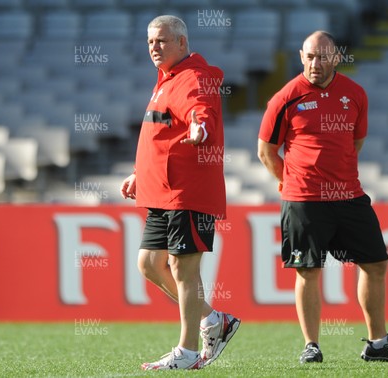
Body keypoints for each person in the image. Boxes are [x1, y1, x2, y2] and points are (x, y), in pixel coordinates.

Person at [257, 31, 388, 363]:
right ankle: (311, 345)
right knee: (308, 269)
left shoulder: (355, 94)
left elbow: (355, 143)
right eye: (309, 57)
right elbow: (266, 151)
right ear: (301, 57)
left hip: (349, 196)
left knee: (376, 263)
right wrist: (289, 182)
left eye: (322, 56)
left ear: (337, 58)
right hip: (304, 198)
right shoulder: (285, 97)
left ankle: (378, 343)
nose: (315, 63)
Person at [120, 15, 240, 370]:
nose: (154, 48)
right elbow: (163, 135)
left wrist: (200, 129)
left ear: (182, 43)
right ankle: (215, 320)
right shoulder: (167, 80)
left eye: (161, 41)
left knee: (184, 269)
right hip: (162, 191)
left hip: (188, 190)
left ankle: (187, 352)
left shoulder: (195, 76)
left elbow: (200, 112)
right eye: (150, 42)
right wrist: (139, 173)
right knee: (149, 264)